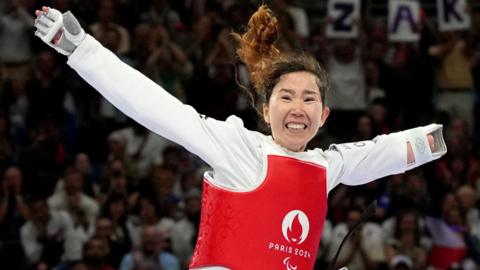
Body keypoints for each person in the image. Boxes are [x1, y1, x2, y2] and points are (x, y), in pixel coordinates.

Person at [33, 5, 447, 270]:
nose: (297, 107)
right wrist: (82, 50)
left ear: (323, 116)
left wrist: (432, 140)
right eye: (286, 96)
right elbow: (157, 108)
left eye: (309, 99)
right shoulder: (238, 147)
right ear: (266, 110)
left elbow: (382, 152)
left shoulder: (326, 167)